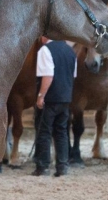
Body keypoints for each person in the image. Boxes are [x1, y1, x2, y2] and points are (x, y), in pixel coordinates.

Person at [32, 37, 77, 177]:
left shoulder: (45, 50)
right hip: (66, 98)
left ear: (45, 36)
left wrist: (41, 96)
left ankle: (43, 166)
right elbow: (72, 75)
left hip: (50, 98)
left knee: (44, 132)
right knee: (62, 132)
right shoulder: (70, 51)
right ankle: (62, 166)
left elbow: (48, 76)